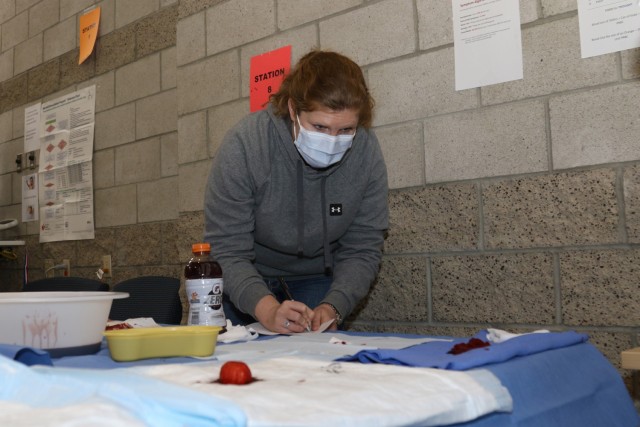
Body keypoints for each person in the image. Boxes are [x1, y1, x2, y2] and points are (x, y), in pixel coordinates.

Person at [204, 49, 389, 334]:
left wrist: (335, 305)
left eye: (345, 130)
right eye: (320, 127)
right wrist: (265, 308)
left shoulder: (365, 150)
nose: (332, 142)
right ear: (293, 110)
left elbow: (363, 247)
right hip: (247, 279)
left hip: (318, 281)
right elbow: (227, 249)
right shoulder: (246, 145)